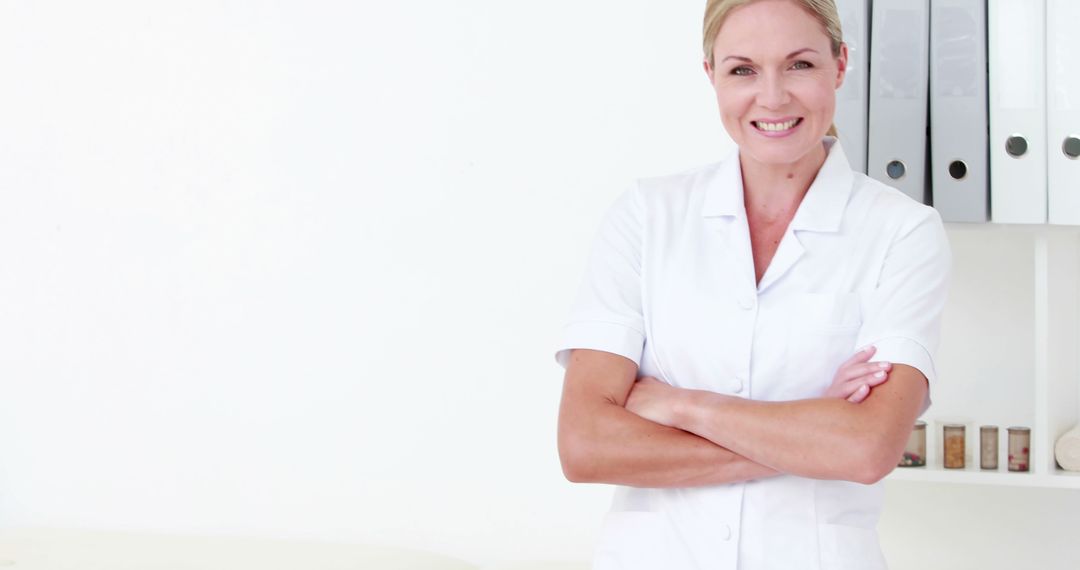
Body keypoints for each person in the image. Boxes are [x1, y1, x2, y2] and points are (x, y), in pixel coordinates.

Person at [553, 0, 952, 569]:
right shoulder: (647, 216)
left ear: (840, 65)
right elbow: (586, 446)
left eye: (800, 65)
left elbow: (867, 450)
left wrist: (678, 405)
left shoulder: (903, 232)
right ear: (711, 73)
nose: (772, 97)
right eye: (743, 69)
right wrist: (814, 428)